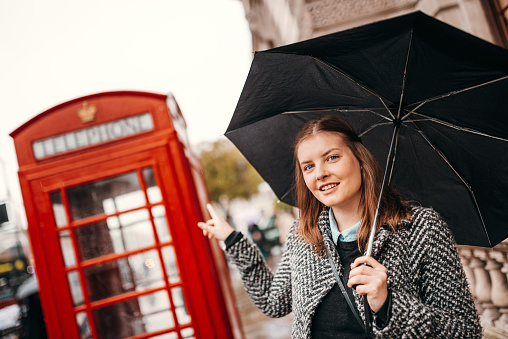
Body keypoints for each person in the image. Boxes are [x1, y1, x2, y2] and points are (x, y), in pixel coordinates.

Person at [198, 115, 481, 338]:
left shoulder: (422, 228)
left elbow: (465, 331)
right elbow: (274, 302)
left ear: (360, 159)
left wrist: (388, 304)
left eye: (332, 157)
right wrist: (234, 240)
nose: (320, 173)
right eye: (308, 167)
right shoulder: (303, 236)